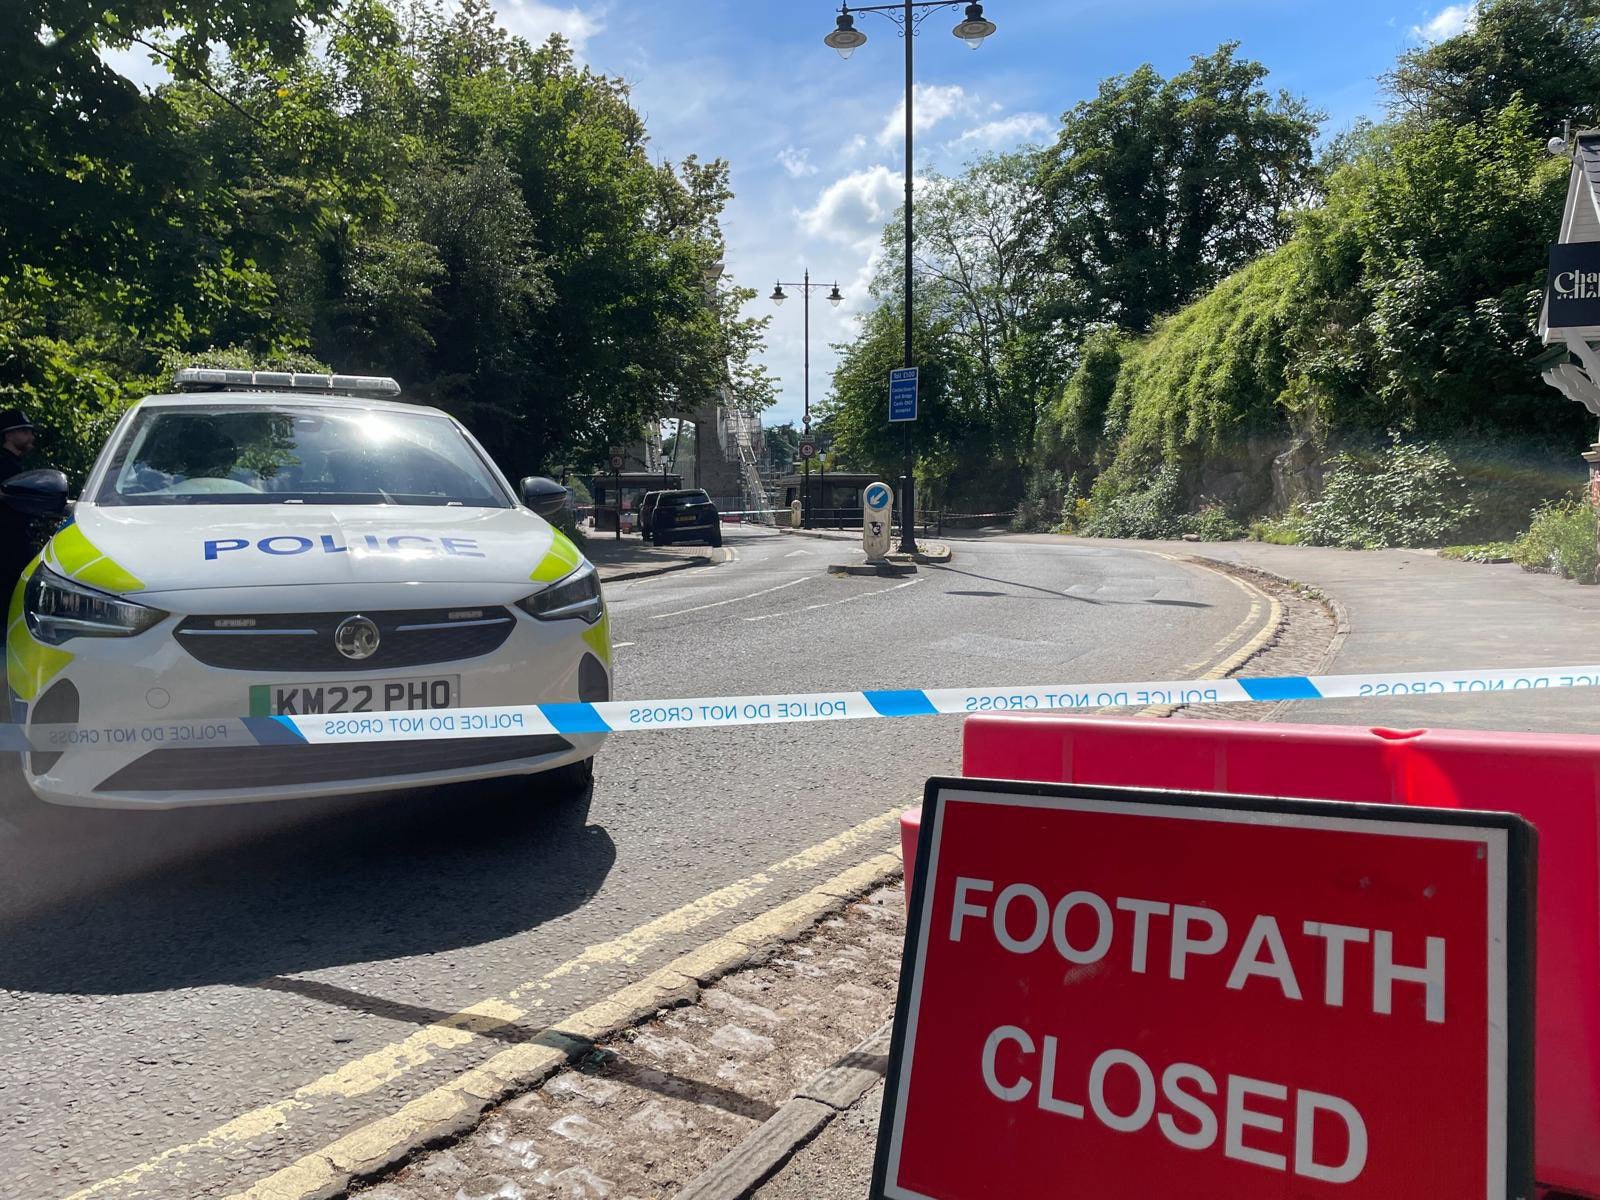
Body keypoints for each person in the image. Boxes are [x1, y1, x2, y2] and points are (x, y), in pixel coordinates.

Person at [0, 408, 41, 608]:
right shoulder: (4, 464)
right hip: (8, 544)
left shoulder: (14, 464)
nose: (30, 435)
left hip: (16, 540)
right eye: (24, 431)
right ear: (9, 435)